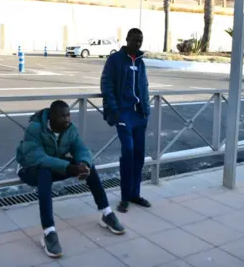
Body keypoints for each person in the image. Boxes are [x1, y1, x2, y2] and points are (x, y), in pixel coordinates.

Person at [16, 100, 125, 258]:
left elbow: (81, 148)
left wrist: (83, 164)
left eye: (68, 115)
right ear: (51, 118)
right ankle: (49, 232)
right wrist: (68, 167)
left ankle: (106, 213)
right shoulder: (35, 129)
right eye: (62, 116)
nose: (67, 119)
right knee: (44, 172)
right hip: (30, 169)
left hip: (55, 166)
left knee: (90, 167)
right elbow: (38, 158)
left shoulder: (70, 129)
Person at [101, 28, 151, 213]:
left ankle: (135, 194)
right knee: (128, 153)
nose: (138, 43)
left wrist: (146, 111)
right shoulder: (115, 60)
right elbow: (107, 85)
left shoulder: (141, 62)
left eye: (141, 40)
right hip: (124, 115)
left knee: (139, 156)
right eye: (135, 40)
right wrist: (115, 112)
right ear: (127, 39)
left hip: (139, 116)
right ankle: (124, 198)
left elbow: (144, 87)